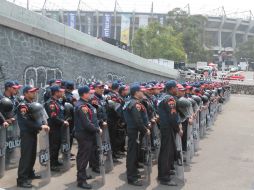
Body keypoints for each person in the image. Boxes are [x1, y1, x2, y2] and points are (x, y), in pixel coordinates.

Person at [16, 86, 50, 188]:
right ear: (26, 93)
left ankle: (30, 173)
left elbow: (38, 116)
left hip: (33, 133)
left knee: (31, 156)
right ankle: (21, 180)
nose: (34, 93)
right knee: (26, 157)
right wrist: (40, 126)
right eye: (32, 92)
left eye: (35, 92)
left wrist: (44, 123)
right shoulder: (23, 106)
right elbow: (26, 121)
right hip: (26, 134)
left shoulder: (31, 104)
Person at [74, 85, 102, 189]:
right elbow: (86, 123)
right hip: (84, 134)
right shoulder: (82, 106)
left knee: (83, 156)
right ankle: (81, 181)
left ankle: (83, 175)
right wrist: (97, 129)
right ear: (84, 94)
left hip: (86, 134)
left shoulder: (85, 104)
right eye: (89, 93)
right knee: (83, 158)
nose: (91, 94)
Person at [123, 84, 150, 186]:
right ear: (136, 92)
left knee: (133, 153)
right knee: (132, 154)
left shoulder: (130, 102)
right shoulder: (135, 104)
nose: (143, 93)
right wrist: (145, 130)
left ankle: (133, 173)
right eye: (141, 91)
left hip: (133, 130)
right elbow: (138, 120)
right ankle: (132, 178)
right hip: (136, 131)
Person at [157, 80, 182, 186]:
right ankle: (164, 178)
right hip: (168, 128)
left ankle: (163, 172)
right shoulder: (169, 99)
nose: (177, 89)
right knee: (167, 153)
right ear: (172, 88)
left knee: (165, 151)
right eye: (176, 87)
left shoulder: (162, 97)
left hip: (164, 127)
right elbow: (172, 117)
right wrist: (178, 129)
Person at [44, 85, 69, 172]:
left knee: (57, 145)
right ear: (56, 92)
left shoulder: (57, 102)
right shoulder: (51, 103)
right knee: (53, 147)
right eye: (60, 91)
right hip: (54, 128)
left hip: (59, 127)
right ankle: (51, 164)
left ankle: (55, 161)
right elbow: (53, 116)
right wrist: (63, 122)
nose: (62, 93)